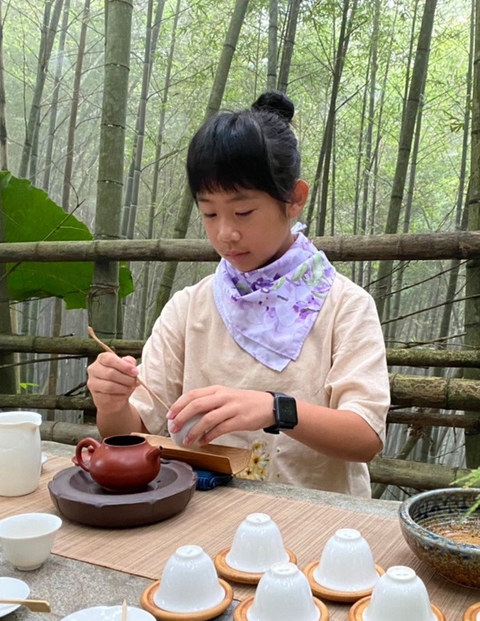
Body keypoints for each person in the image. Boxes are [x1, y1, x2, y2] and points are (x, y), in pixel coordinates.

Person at [86, 92, 390, 497]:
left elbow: (366, 436)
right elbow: (135, 431)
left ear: (294, 199)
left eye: (243, 212)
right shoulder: (190, 307)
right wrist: (112, 405)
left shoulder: (345, 307)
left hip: (315, 523)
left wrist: (274, 408)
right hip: (200, 518)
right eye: (209, 213)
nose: (225, 233)